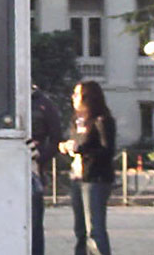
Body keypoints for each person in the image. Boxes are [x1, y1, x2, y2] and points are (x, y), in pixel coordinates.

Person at [59, 81, 116, 255]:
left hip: (95, 178)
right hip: (77, 177)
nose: (73, 98)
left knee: (95, 229)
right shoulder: (77, 121)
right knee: (80, 230)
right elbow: (76, 144)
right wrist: (66, 146)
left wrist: (81, 149)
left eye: (77, 94)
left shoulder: (102, 120)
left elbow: (107, 150)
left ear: (88, 97)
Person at [30, 85, 62, 255]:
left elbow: (56, 137)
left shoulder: (43, 103)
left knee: (35, 221)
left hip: (34, 168)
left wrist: (41, 158)